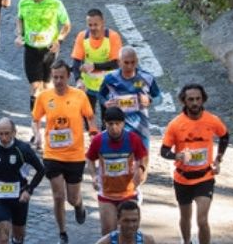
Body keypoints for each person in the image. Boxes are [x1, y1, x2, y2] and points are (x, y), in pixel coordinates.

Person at [31, 61, 94, 243]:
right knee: (58, 196)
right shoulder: (44, 97)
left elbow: (90, 116)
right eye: (55, 77)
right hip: (52, 154)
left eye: (61, 77)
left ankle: (79, 205)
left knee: (72, 198)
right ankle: (62, 233)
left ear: (68, 77)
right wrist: (37, 136)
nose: (58, 81)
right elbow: (35, 119)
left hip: (75, 155)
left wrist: (93, 133)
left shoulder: (79, 96)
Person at [161, 84, 229, 244]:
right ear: (184, 101)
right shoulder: (175, 124)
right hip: (182, 178)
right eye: (190, 99)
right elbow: (164, 151)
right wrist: (177, 156)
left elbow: (224, 136)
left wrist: (218, 158)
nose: (195, 103)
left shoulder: (212, 120)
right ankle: (186, 242)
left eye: (198, 99)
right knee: (185, 217)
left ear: (203, 99)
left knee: (202, 220)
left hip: (205, 177)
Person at [0, 118, 45, 244]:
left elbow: (41, 170)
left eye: (7, 133)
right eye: (0, 134)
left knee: (19, 235)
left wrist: (29, 190)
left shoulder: (23, 149)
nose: (4, 137)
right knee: (3, 237)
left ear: (14, 132)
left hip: (20, 197)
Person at [87, 106, 149, 236]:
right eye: (110, 124)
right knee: (108, 232)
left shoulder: (132, 139)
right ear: (105, 123)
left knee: (129, 232)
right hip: (107, 195)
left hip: (129, 193)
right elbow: (90, 158)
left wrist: (142, 170)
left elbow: (143, 156)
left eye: (117, 123)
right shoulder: (98, 140)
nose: (114, 127)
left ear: (123, 124)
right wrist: (93, 176)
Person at [14, 0, 70, 115]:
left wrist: (59, 41)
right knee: (35, 87)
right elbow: (19, 19)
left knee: (48, 86)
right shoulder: (23, 2)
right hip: (31, 50)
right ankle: (36, 120)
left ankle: (51, 116)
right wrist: (19, 35)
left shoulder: (56, 4)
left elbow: (66, 25)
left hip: (49, 50)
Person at [98, 46, 163, 149]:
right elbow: (100, 95)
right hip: (119, 128)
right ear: (119, 62)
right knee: (122, 159)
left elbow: (159, 98)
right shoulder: (110, 78)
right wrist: (105, 103)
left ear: (137, 61)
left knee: (142, 161)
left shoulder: (146, 77)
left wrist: (149, 100)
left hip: (141, 127)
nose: (130, 66)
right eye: (126, 62)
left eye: (133, 62)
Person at [71, 8, 123, 126]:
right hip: (89, 86)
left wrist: (94, 66)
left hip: (108, 86)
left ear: (103, 23)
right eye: (90, 25)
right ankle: (93, 139)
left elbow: (116, 63)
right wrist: (78, 79)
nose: (93, 28)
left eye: (96, 24)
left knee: (108, 119)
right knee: (88, 118)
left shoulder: (113, 37)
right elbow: (76, 62)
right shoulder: (82, 36)